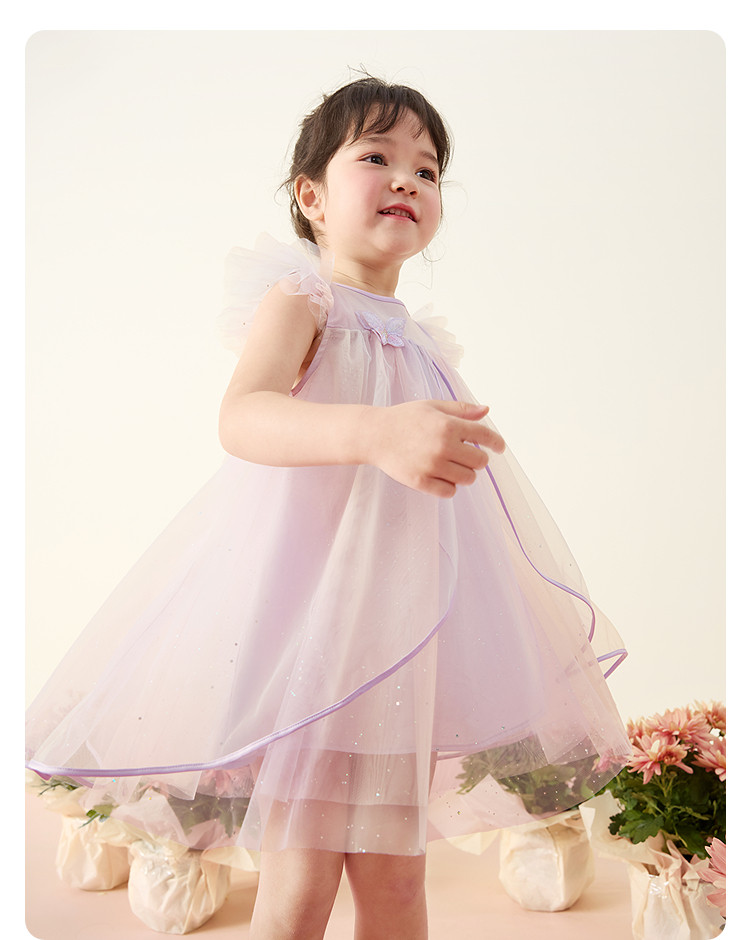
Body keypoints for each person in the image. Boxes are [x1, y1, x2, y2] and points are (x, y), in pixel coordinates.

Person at [26, 77, 630, 939]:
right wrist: (377, 432)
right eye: (377, 157)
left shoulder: (424, 340)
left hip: (395, 647)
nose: (407, 179)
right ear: (311, 197)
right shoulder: (303, 302)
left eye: (428, 170)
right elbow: (243, 417)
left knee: (398, 887)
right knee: (300, 888)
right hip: (312, 642)